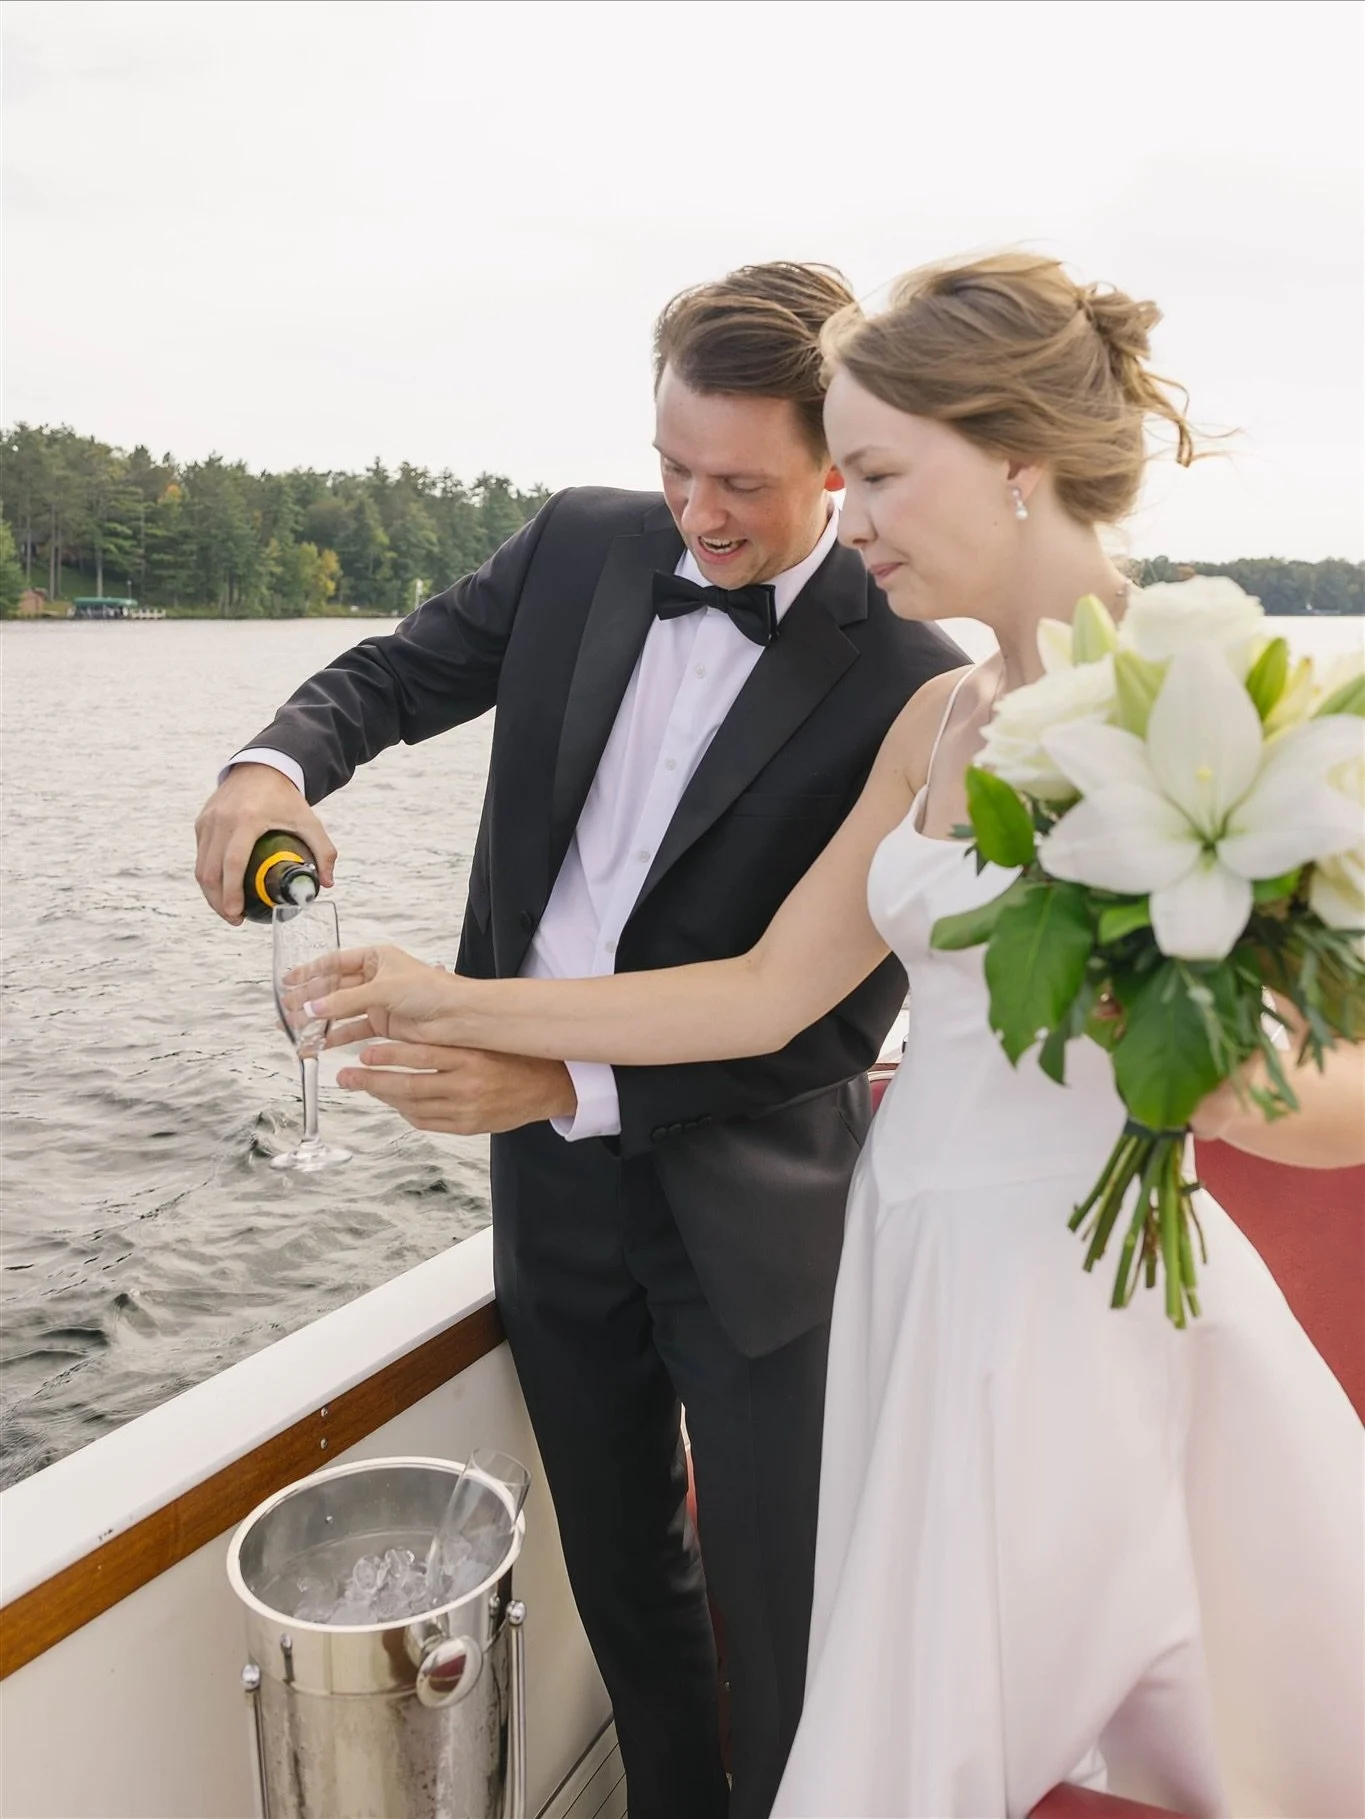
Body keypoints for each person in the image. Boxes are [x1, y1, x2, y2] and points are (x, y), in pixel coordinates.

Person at [306, 255, 1365, 1818]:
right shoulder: (942, 719)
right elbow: (761, 990)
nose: (850, 522)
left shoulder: (1201, 698)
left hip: (1060, 1299)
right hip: (901, 1265)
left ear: (1014, 459)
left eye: (874, 473)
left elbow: (1337, 1092)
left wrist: (1203, 1068)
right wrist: (445, 999)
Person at [193, 261, 963, 1818]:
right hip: (547, 1186)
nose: (695, 513)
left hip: (758, 1205)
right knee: (621, 1575)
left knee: (784, 1604)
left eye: (740, 484)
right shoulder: (579, 543)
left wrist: (561, 1068)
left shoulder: (919, 680)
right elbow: (392, 676)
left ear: (839, 461)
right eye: (675, 465)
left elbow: (828, 1009)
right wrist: (271, 767)